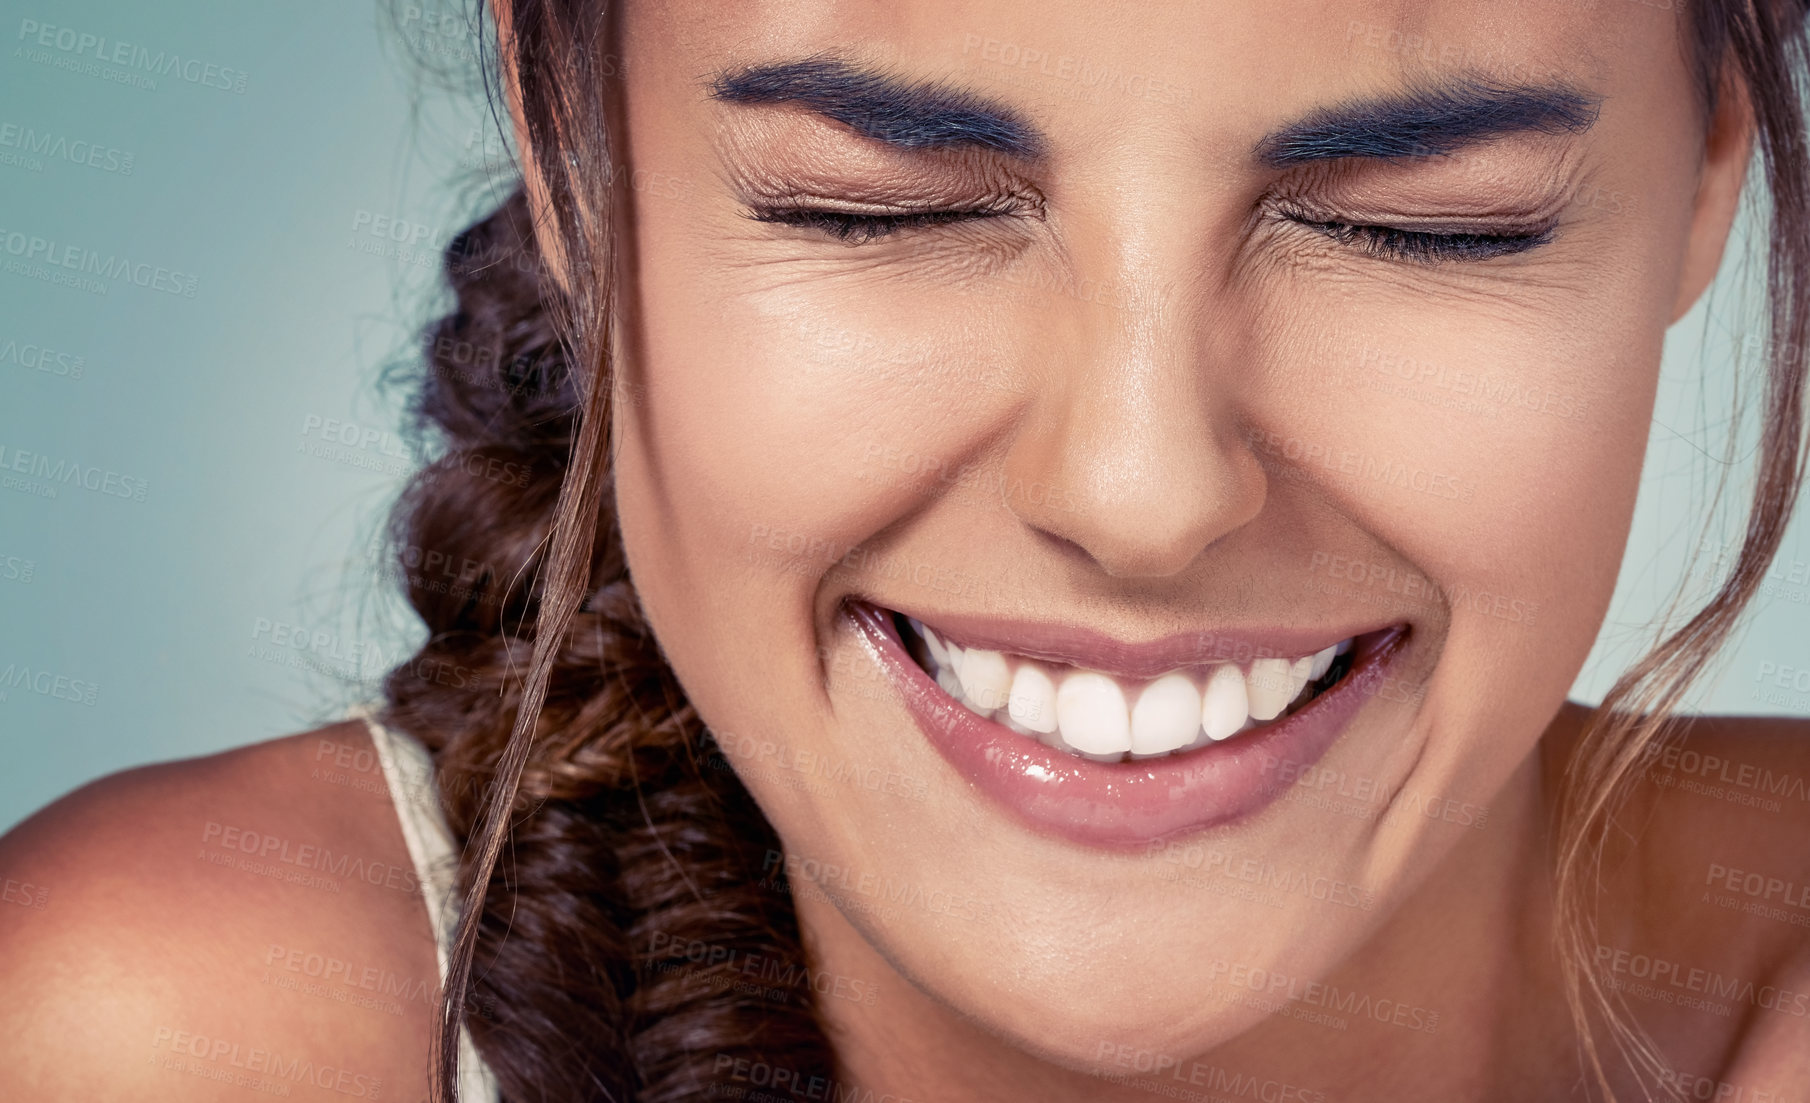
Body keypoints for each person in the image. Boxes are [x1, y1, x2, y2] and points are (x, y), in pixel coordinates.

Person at [4, 1, 1809, 1100]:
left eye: (1410, 223)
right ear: (573, 142)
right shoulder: (155, 1036)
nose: (1141, 488)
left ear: (1709, 161)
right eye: (877, 206)